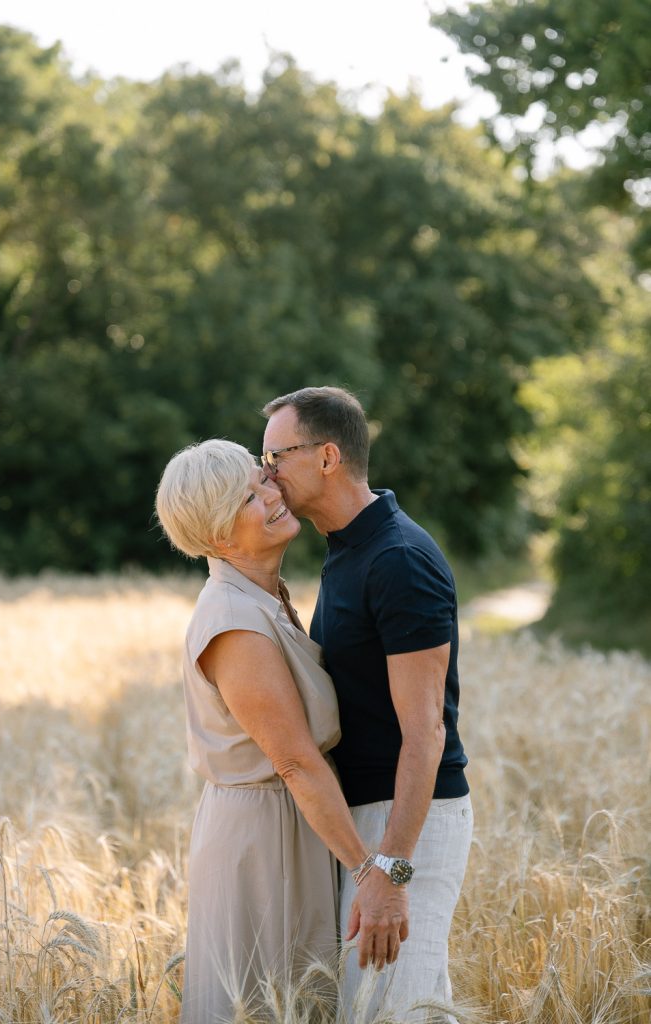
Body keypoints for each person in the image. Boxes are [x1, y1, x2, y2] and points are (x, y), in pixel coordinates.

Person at [154, 439, 403, 1023]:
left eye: (263, 478)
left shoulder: (262, 598)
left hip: (293, 825)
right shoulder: (235, 621)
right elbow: (294, 761)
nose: (272, 493)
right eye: (249, 496)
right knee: (270, 1002)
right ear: (218, 537)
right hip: (263, 843)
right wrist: (371, 873)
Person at [261, 387, 473, 1023]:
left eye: (275, 456)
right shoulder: (347, 546)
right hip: (368, 824)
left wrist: (392, 869)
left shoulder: (398, 560)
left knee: (391, 1011)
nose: (264, 472)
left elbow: (426, 732)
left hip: (408, 821)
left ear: (327, 456)